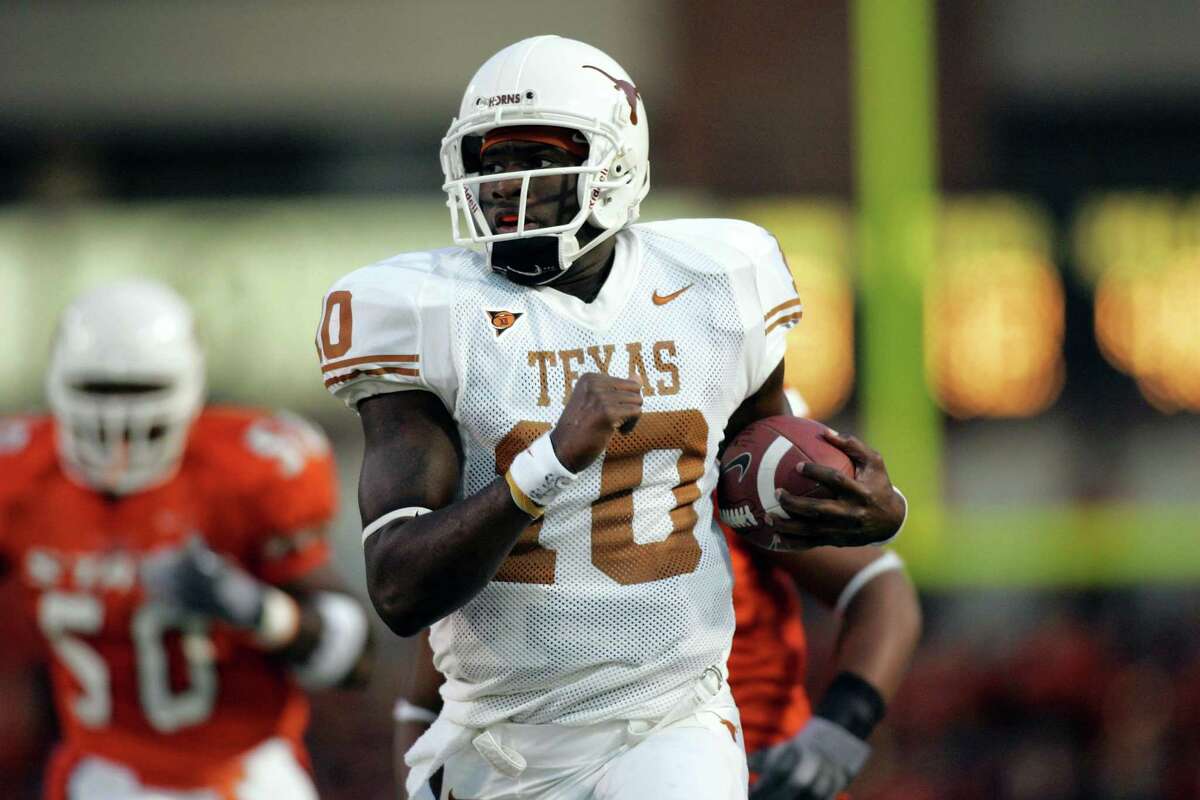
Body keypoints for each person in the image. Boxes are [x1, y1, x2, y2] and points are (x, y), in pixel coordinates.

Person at [318, 35, 906, 800]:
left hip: (671, 715)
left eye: (533, 159)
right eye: (490, 162)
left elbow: (759, 461)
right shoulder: (427, 316)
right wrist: (548, 465)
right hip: (501, 736)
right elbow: (399, 591)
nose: (506, 185)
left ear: (615, 166)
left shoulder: (719, 282)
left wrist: (876, 507)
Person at [0, 280, 373, 799]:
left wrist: (258, 610)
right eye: (98, 391)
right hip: (100, 774)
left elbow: (355, 659)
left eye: (140, 392)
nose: (119, 420)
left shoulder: (247, 474)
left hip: (246, 773)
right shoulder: (18, 478)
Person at [392, 536, 920, 800]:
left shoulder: (718, 439)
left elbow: (878, 587)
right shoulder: (507, 487)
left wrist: (836, 733)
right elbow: (424, 704)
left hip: (744, 767)